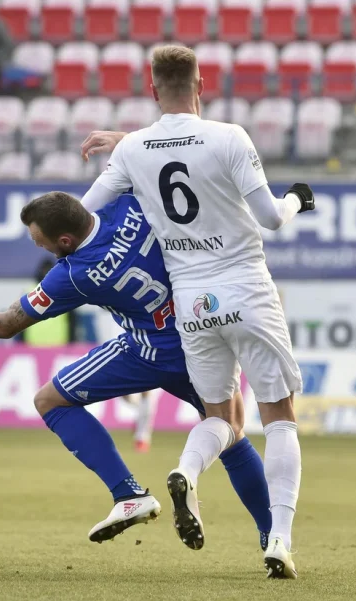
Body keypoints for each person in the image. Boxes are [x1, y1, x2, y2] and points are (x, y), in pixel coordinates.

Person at [0, 192, 272, 550]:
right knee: (232, 436)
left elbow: (4, 324)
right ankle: (272, 535)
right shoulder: (128, 207)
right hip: (197, 340)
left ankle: (129, 494)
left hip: (146, 351)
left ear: (65, 241)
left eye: (41, 243)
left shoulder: (72, 273)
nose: (41, 249)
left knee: (50, 401)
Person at [79, 46, 316, 579]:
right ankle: (277, 539)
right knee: (278, 418)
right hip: (248, 290)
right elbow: (270, 220)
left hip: (191, 300)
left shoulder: (135, 148)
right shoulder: (231, 137)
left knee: (217, 416)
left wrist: (129, 151)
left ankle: (186, 469)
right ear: (201, 84)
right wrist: (298, 199)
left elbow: (84, 209)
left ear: (150, 88)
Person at [22, 258, 76, 346]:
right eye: (44, 270)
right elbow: (21, 320)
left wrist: (71, 342)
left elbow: (72, 320)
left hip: (58, 345)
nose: (46, 273)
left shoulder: (65, 291)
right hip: (33, 345)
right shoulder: (30, 292)